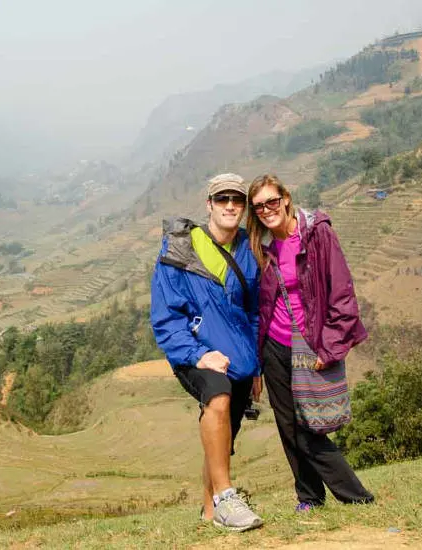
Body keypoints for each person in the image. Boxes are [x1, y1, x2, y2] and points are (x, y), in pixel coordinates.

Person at [246, 174, 374, 511]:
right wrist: (256, 363)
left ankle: (356, 496)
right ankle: (309, 497)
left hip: (312, 343)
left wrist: (331, 348)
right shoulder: (260, 247)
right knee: (288, 427)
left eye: (272, 201)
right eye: (258, 206)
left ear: (286, 198)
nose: (266, 210)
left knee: (310, 427)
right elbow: (258, 306)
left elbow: (342, 293)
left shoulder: (317, 233)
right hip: (274, 346)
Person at [151, 173, 263, 532]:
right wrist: (198, 355)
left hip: (240, 358)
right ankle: (226, 497)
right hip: (195, 353)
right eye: (222, 199)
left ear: (244, 207)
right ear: (209, 205)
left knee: (223, 439)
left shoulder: (247, 250)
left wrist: (256, 365)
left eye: (237, 200)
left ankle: (210, 511)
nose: (230, 206)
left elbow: (254, 312)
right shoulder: (180, 249)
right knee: (216, 397)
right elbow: (166, 317)